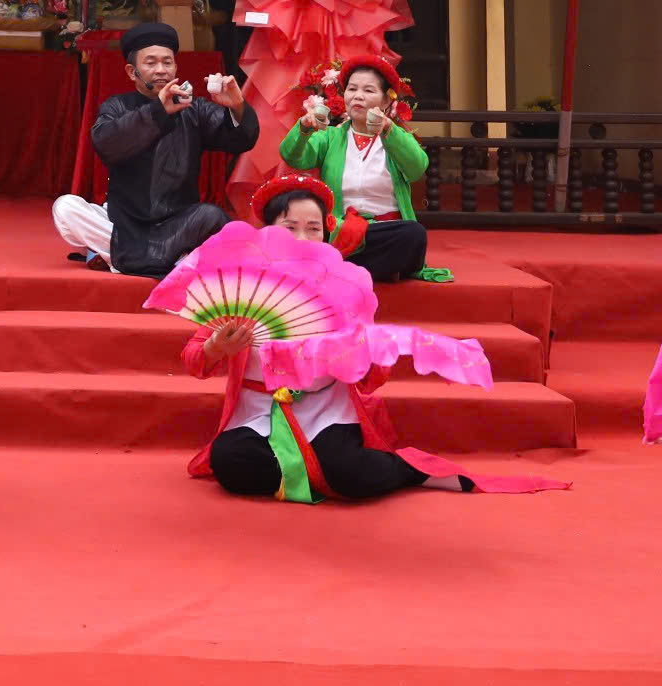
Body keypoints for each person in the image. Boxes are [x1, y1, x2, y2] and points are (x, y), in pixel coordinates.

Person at [183, 175, 561, 506]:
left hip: (325, 407)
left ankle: (398, 470)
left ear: (326, 234)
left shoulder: (345, 288)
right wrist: (217, 347)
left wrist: (356, 356)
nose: (302, 238)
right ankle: (310, 471)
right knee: (230, 462)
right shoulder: (238, 288)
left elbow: (371, 379)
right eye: (289, 227)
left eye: (313, 229)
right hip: (258, 410)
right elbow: (193, 358)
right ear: (267, 232)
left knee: (351, 473)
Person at [52, 22, 258, 277]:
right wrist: (158, 112)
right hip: (124, 221)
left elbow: (240, 140)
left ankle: (115, 254)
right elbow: (107, 143)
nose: (161, 69)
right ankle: (172, 259)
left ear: (175, 68)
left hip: (178, 222)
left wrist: (237, 106)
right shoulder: (116, 106)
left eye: (167, 62)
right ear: (132, 72)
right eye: (151, 63)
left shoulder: (194, 108)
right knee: (66, 208)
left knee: (211, 216)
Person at [279, 56, 433, 282]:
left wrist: (389, 130)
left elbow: (417, 168)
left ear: (385, 101)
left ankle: (336, 268)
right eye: (352, 89)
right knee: (311, 231)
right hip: (340, 231)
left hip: (385, 232)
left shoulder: (396, 138)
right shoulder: (330, 137)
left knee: (413, 234)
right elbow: (293, 157)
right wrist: (304, 127)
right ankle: (373, 268)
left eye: (368, 90)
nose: (358, 96)